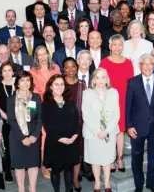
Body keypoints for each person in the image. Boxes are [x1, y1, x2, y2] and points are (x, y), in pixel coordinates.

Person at [126, 54, 154, 192]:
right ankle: (139, 185)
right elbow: (128, 106)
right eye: (145, 64)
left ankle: (151, 183)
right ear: (140, 66)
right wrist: (129, 126)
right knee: (136, 157)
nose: (148, 67)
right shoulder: (132, 82)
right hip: (137, 127)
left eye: (151, 64)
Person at [99, 34, 134, 172]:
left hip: (124, 101)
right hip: (108, 102)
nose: (117, 47)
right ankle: (111, 158)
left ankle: (119, 158)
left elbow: (131, 84)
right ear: (109, 46)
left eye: (120, 44)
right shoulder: (104, 63)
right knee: (110, 130)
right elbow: (100, 84)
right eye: (114, 44)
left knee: (120, 131)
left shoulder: (128, 62)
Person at [82, 68, 120, 192]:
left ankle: (107, 181)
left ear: (107, 79)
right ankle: (97, 183)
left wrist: (107, 130)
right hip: (93, 133)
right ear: (93, 80)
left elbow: (116, 114)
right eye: (97, 77)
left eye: (103, 77)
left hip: (109, 132)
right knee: (95, 159)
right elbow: (85, 114)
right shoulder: (87, 93)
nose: (101, 80)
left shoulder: (114, 92)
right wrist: (97, 131)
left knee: (107, 159)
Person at [42, 75, 79, 192]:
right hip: (55, 142)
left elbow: (76, 120)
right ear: (51, 87)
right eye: (56, 84)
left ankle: (69, 190)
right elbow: (47, 126)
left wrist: (74, 135)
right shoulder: (46, 104)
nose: (59, 87)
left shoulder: (70, 101)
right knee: (55, 170)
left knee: (69, 169)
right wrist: (59, 138)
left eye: (62, 84)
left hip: (70, 141)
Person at [7, 71, 42, 192]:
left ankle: (32, 187)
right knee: (19, 164)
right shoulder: (11, 100)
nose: (25, 83)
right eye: (22, 80)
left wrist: (35, 135)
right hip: (17, 136)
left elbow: (40, 118)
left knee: (33, 164)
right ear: (17, 83)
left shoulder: (36, 97)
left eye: (27, 80)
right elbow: (11, 120)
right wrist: (22, 137)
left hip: (33, 136)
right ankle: (21, 188)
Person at [29, 45, 61, 179]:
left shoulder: (56, 68)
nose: (42, 57)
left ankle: (55, 162)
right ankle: (45, 165)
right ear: (36, 57)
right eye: (39, 55)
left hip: (56, 105)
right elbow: (33, 92)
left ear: (49, 55)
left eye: (44, 54)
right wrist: (32, 111)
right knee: (45, 136)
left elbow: (60, 85)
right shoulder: (33, 71)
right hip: (42, 107)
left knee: (56, 134)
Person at [63, 57, 91, 188]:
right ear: (63, 69)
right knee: (66, 152)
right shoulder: (59, 83)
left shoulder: (82, 84)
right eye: (67, 67)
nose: (70, 70)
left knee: (78, 152)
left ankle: (75, 178)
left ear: (77, 67)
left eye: (73, 66)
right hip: (63, 124)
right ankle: (68, 179)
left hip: (79, 123)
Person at [0, 62, 16, 183]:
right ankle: (7, 171)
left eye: (9, 70)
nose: (7, 73)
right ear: (1, 73)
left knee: (17, 144)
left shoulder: (18, 84)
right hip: (4, 120)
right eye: (4, 71)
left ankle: (17, 165)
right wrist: (6, 116)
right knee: (7, 146)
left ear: (13, 72)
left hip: (18, 119)